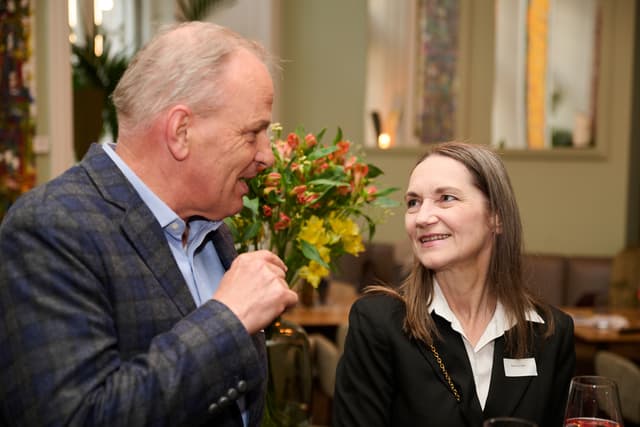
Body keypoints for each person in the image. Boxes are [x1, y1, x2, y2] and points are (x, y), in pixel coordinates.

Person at [0, 22, 299, 426]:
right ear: (181, 132)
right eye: (252, 134)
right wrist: (227, 318)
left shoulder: (211, 229)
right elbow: (77, 417)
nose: (267, 156)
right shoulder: (51, 229)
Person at [333, 142, 576, 426]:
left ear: (496, 216)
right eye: (413, 203)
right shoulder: (377, 324)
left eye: (446, 198)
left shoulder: (550, 333)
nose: (422, 218)